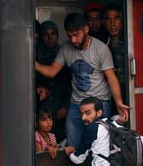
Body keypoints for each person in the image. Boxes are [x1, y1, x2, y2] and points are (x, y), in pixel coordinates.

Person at [35, 13, 130, 147]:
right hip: (76, 104)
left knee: (97, 143)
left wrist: (119, 103)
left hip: (98, 102)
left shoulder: (101, 49)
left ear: (86, 29)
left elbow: (111, 77)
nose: (73, 40)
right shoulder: (66, 49)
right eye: (69, 36)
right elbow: (51, 71)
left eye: (76, 35)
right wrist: (33, 64)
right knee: (73, 143)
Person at [35, 20, 70, 142]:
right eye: (45, 34)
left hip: (59, 102)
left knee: (58, 137)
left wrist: (65, 106)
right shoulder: (34, 53)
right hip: (40, 104)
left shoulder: (64, 53)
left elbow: (70, 83)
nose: (50, 38)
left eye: (53, 34)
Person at [102, 3, 127, 112]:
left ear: (122, 20)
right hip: (109, 96)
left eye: (116, 18)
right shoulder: (100, 44)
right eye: (108, 19)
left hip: (130, 91)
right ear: (104, 22)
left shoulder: (131, 41)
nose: (112, 23)